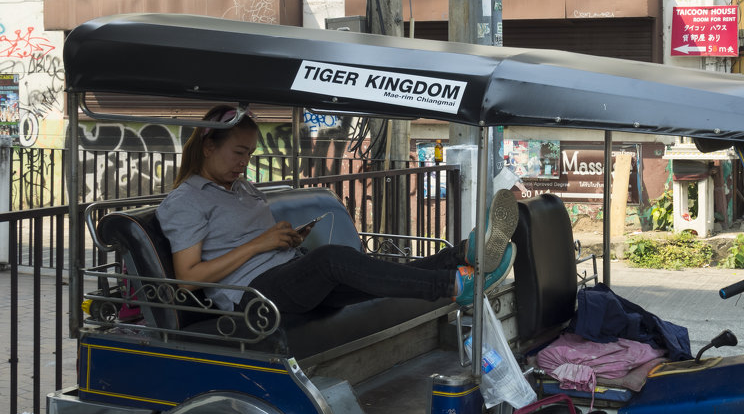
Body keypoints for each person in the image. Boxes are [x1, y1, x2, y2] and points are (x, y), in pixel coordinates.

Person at [157, 105, 518, 313]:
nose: (244, 163)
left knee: (369, 274)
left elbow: (256, 240)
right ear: (208, 146)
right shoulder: (186, 200)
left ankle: (465, 257)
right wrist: (260, 244)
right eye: (238, 153)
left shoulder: (241, 188)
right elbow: (187, 279)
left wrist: (282, 239)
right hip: (252, 299)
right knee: (332, 259)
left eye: (249, 154)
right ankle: (458, 285)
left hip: (288, 274)